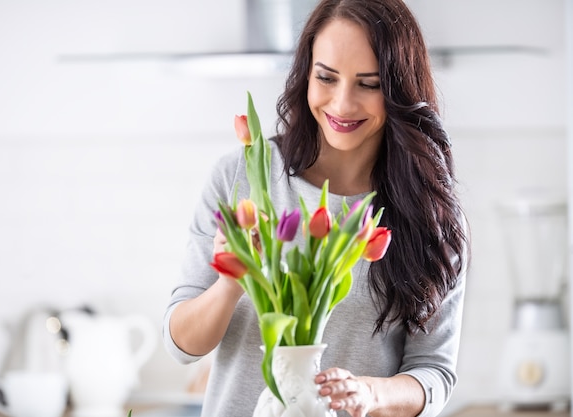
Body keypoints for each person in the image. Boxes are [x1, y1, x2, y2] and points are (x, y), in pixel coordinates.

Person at [162, 0, 470, 416]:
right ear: (306, 73)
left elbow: (434, 373)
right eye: (326, 77)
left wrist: (371, 394)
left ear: (399, 89)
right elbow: (181, 345)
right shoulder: (241, 177)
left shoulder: (429, 214)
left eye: (369, 84)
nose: (342, 104)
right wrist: (231, 280)